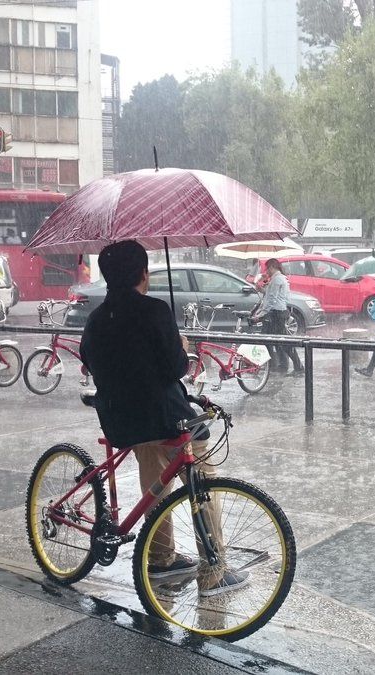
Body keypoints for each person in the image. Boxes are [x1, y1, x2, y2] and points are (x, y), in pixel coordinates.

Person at [80, 239, 249, 596]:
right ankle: (214, 569)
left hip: (123, 422)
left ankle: (160, 559)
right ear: (143, 274)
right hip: (167, 418)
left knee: (154, 483)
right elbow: (176, 368)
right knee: (202, 480)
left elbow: (90, 362)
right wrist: (181, 345)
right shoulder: (155, 311)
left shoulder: (95, 320)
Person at [254, 258, 303, 375]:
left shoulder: (277, 279)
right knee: (275, 341)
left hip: (276, 313)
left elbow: (272, 299)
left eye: (267, 269)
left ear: (272, 267)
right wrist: (262, 289)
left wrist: (261, 314)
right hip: (277, 312)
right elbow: (271, 295)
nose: (266, 271)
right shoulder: (278, 279)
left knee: (278, 341)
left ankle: (296, 367)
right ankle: (279, 365)